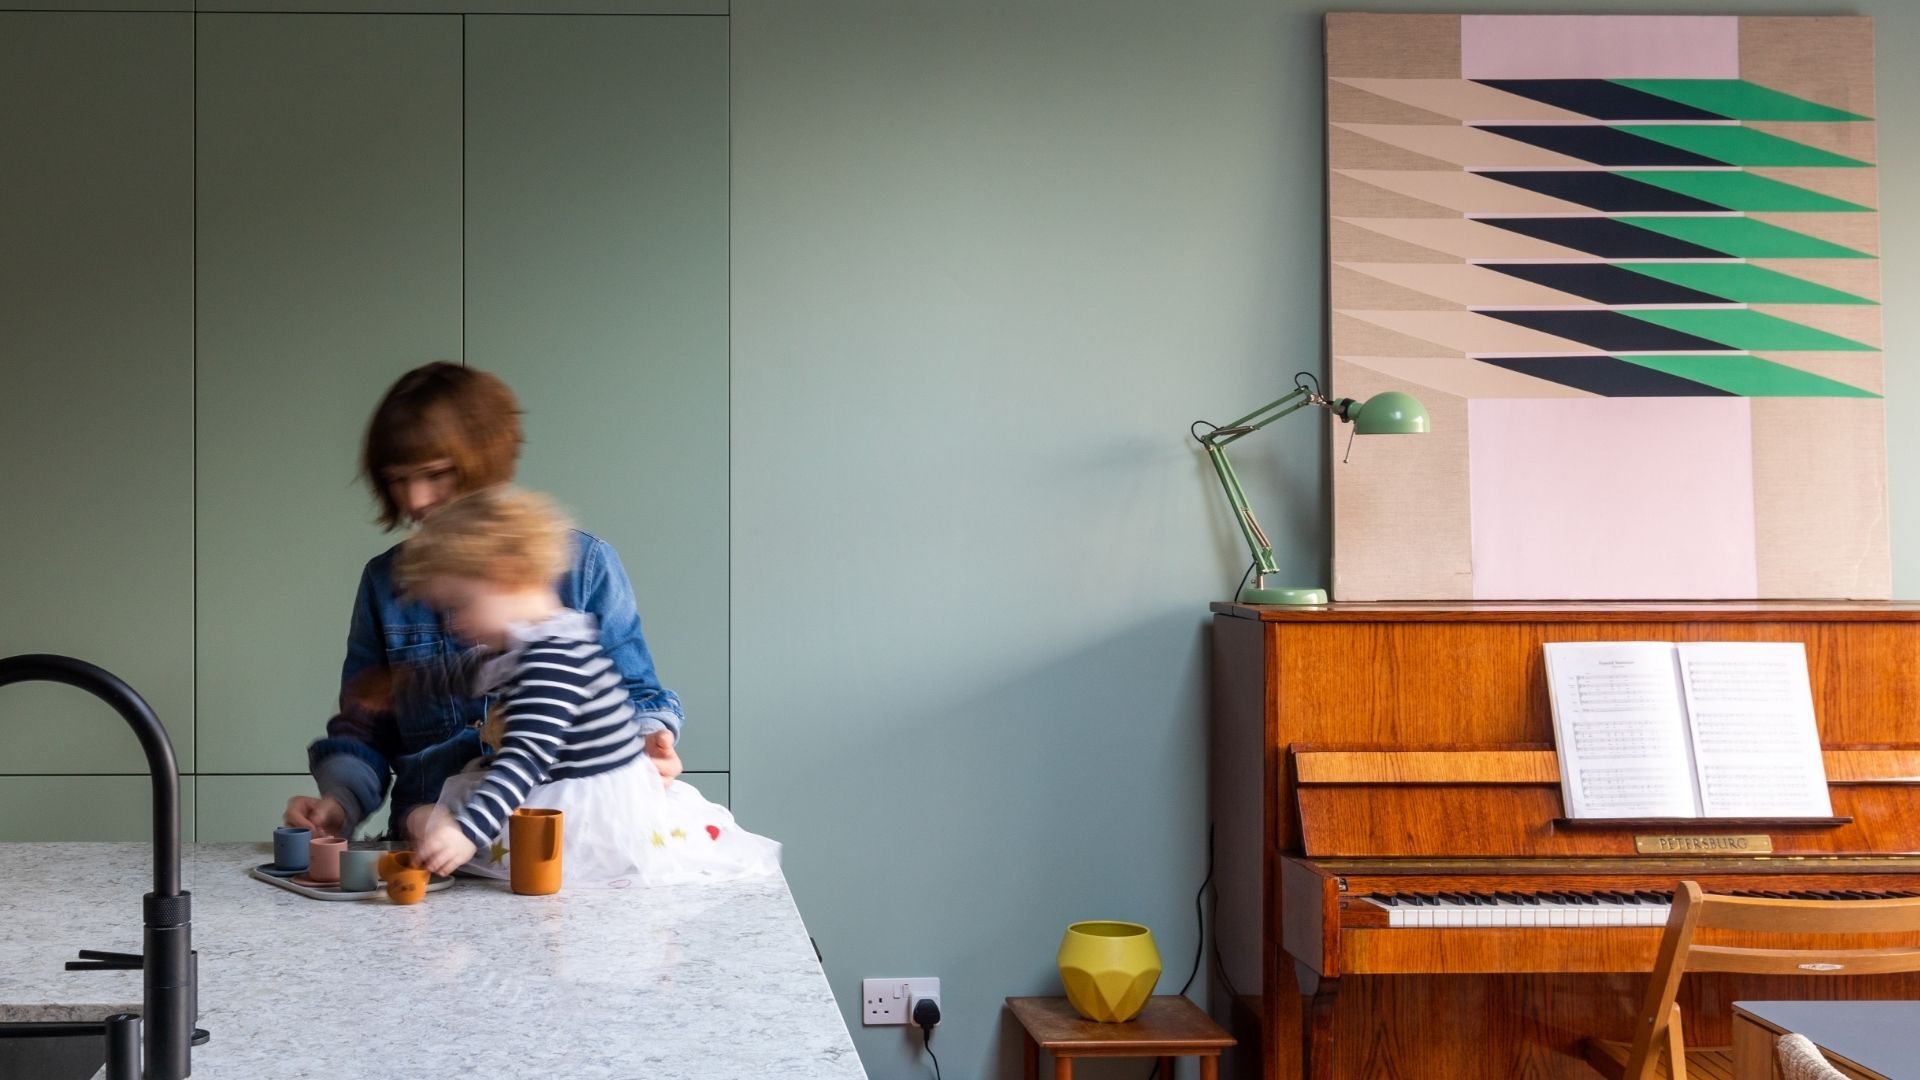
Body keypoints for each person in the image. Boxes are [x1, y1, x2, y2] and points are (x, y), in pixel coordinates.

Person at [283, 362, 683, 842]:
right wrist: (339, 802)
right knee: (418, 819)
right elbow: (366, 727)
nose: (415, 499)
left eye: (435, 474)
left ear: (486, 461)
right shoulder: (384, 581)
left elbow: (632, 697)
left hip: (558, 841)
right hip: (432, 848)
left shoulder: (586, 565)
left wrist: (647, 746)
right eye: (397, 480)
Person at [400, 487, 776, 885]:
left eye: (459, 605)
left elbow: (525, 758)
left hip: (587, 818)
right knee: (437, 811)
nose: (454, 624)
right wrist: (404, 687)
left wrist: (466, 833)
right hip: (589, 791)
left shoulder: (550, 658)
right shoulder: (554, 633)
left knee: (429, 822)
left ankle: (456, 832)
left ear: (508, 578)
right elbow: (476, 671)